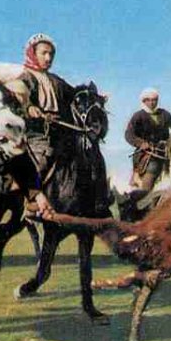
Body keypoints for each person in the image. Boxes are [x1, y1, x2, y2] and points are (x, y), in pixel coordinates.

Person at [18, 32, 111, 214]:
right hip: (36, 134)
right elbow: (19, 100)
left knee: (90, 154)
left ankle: (99, 199)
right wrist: (30, 109)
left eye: (51, 54)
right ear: (32, 53)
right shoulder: (24, 78)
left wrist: (95, 98)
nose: (49, 58)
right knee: (42, 159)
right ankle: (31, 200)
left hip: (60, 133)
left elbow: (75, 95)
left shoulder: (56, 81)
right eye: (44, 53)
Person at [124, 88, 171, 201]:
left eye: (154, 100)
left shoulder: (165, 114)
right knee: (153, 168)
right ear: (144, 101)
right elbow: (128, 134)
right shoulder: (138, 116)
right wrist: (141, 143)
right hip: (148, 154)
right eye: (148, 100)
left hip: (166, 151)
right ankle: (144, 198)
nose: (151, 102)